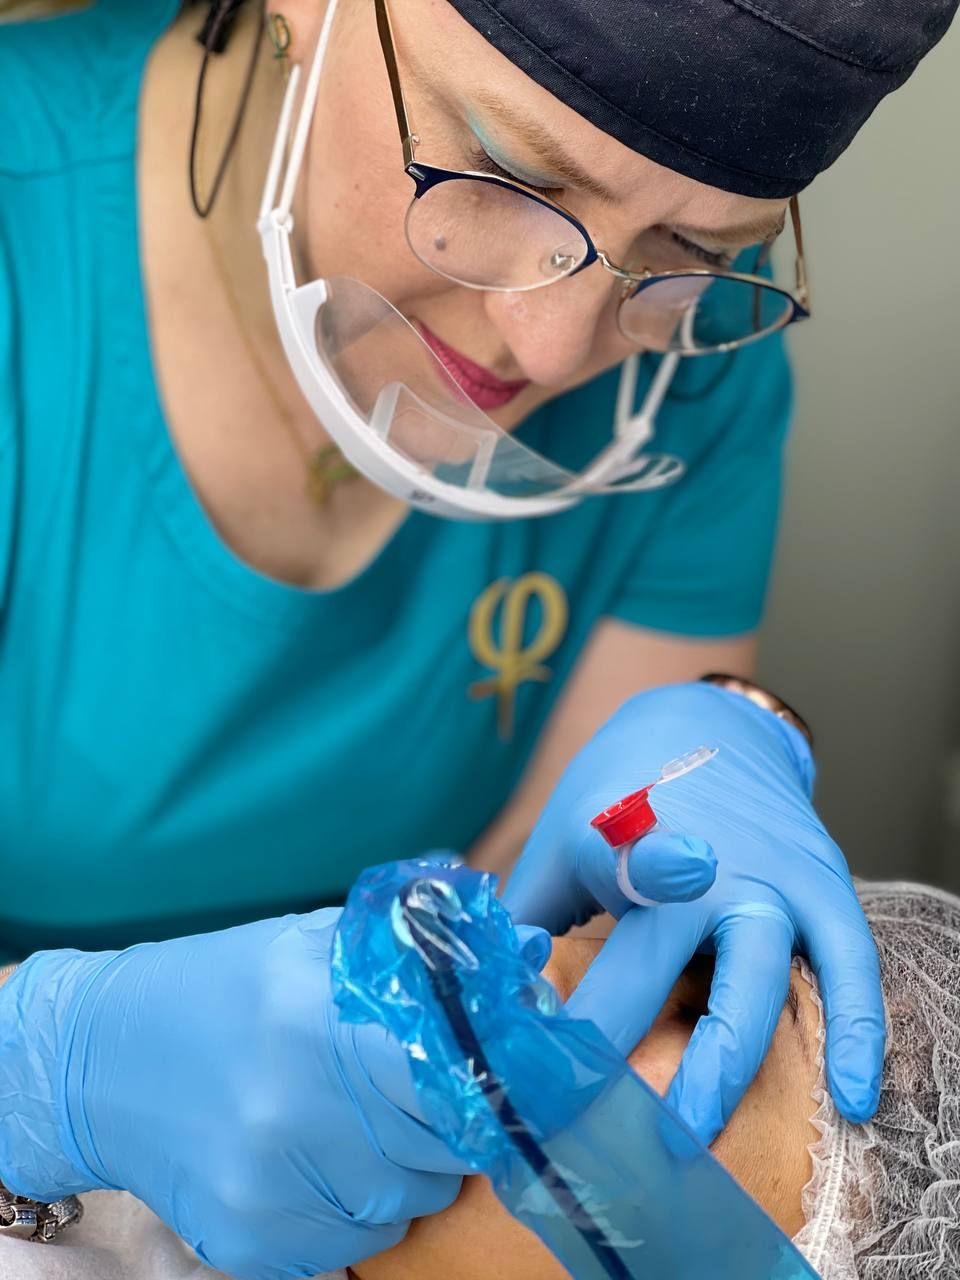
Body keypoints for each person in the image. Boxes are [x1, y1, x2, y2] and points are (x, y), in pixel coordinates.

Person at [0, 0, 956, 1274]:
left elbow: (564, 901)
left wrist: (729, 729)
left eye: (689, 246)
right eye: (505, 173)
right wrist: (41, 1069)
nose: (551, 348)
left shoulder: (691, 363)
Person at [0, 879, 955, 1280]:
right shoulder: (185, 1111)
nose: (565, 964)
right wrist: (39, 1054)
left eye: (700, 1011)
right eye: (629, 928)